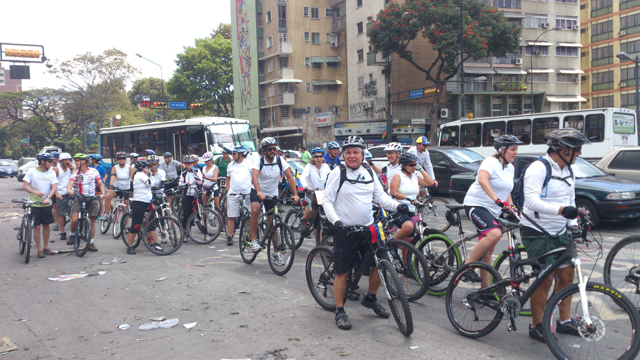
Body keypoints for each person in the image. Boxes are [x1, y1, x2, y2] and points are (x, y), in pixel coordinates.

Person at [323, 135, 408, 330]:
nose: (352, 156)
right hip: (345, 229)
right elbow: (327, 200)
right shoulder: (338, 172)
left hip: (369, 227)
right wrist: (335, 220)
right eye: (349, 152)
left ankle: (370, 297)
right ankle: (340, 310)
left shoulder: (369, 171)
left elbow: (381, 197)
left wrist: (398, 206)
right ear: (344, 155)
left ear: (362, 155)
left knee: (382, 262)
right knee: (342, 272)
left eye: (356, 152)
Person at [522, 129, 590, 342]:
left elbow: (570, 201)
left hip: (560, 231)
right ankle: (537, 325)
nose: (579, 154)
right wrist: (561, 211)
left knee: (568, 276)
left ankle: (564, 321)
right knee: (545, 278)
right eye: (576, 150)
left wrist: (574, 224)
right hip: (536, 230)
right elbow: (531, 201)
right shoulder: (538, 168)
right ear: (564, 150)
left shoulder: (568, 170)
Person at [461, 135, 523, 286]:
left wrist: (512, 207)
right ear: (502, 150)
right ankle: (467, 267)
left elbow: (507, 190)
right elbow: (482, 180)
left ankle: (485, 289)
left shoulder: (510, 167)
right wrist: (496, 199)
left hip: (493, 210)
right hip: (476, 204)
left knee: (489, 250)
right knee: (494, 233)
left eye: (516, 150)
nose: (515, 153)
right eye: (513, 149)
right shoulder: (491, 162)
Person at [249, 137, 299, 263]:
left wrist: (295, 194)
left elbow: (289, 177)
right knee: (255, 210)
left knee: (273, 223)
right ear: (264, 151)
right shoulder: (258, 161)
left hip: (271, 193)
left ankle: (276, 253)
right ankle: (253, 241)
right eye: (270, 149)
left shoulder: (280, 161)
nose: (273, 151)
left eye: (274, 148)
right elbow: (254, 177)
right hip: (257, 190)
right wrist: (259, 192)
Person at [389, 152, 433, 247]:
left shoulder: (415, 177)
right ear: (404, 165)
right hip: (399, 208)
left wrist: (420, 169)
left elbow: (430, 183)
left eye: (415, 164)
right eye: (411, 165)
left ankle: (406, 262)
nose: (414, 167)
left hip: (411, 209)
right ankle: (391, 246)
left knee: (409, 242)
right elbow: (393, 193)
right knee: (408, 227)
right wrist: (406, 197)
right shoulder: (398, 176)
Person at [67, 153, 106, 251]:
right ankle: (72, 235)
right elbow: (70, 184)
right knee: (75, 219)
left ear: (83, 161)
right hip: (79, 198)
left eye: (77, 160)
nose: (75, 163)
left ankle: (91, 242)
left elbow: (100, 183)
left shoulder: (93, 171)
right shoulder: (75, 173)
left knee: (92, 221)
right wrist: (69, 190)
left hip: (91, 198)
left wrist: (103, 193)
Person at [22, 153, 58, 258]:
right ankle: (39, 249)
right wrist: (35, 192)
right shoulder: (31, 172)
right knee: (37, 227)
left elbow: (53, 187)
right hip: (34, 204)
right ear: (42, 162)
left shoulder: (51, 172)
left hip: (46, 204)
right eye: (50, 162)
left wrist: (48, 197)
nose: (52, 164)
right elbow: (25, 186)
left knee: (46, 225)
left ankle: (46, 247)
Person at [299, 147, 331, 241]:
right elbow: (303, 177)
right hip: (311, 191)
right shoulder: (309, 167)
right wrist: (305, 186)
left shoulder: (325, 166)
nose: (319, 158)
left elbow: (331, 176)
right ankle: (304, 219)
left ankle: (319, 245)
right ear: (313, 158)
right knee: (313, 204)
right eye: (316, 156)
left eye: (320, 156)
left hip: (322, 193)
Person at [126, 160, 156, 255]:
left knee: (152, 223)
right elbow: (150, 183)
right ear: (144, 168)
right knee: (136, 225)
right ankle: (130, 246)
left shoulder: (142, 175)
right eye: (147, 167)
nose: (148, 169)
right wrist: (151, 175)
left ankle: (156, 243)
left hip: (147, 202)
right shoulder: (140, 175)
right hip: (139, 202)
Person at [225, 145, 252, 246]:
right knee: (231, 216)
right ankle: (229, 236)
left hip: (247, 193)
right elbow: (227, 178)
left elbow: (254, 177)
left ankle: (249, 235)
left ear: (241, 155)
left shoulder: (249, 164)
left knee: (249, 216)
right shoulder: (230, 165)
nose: (232, 155)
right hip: (233, 193)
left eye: (234, 154)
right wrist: (227, 189)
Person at [101, 152, 134, 221]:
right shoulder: (115, 168)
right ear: (117, 160)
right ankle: (106, 214)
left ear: (125, 159)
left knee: (126, 207)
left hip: (126, 189)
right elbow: (112, 176)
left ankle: (125, 226)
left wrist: (135, 187)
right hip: (116, 188)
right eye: (119, 158)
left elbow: (132, 178)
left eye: (123, 158)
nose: (121, 160)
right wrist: (111, 185)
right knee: (108, 196)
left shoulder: (129, 167)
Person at [179, 154, 203, 233]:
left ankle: (204, 231)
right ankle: (185, 232)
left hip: (196, 194)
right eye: (188, 163)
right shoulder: (183, 174)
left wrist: (193, 171)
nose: (190, 165)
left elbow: (200, 181)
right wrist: (186, 184)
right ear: (185, 164)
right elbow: (180, 185)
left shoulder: (198, 171)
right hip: (187, 195)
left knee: (201, 213)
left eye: (191, 163)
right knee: (187, 214)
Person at [53, 153, 74, 242]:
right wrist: (57, 194)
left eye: (68, 160)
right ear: (61, 161)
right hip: (61, 194)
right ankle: (62, 232)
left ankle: (74, 232)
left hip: (70, 193)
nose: (67, 161)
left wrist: (71, 167)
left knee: (74, 212)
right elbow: (53, 183)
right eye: (65, 160)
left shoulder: (70, 169)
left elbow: (77, 174)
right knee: (61, 214)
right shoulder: (56, 169)